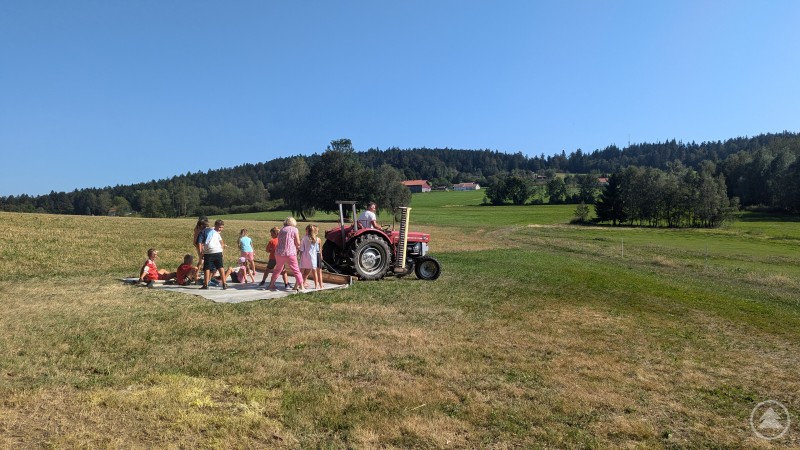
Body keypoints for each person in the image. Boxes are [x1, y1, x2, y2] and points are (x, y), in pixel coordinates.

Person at [267, 217, 304, 291]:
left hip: (279, 253)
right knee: (296, 270)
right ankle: (301, 286)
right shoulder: (294, 229)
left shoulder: (282, 230)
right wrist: (299, 247)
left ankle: (271, 284)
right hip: (290, 252)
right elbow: (297, 242)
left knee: (277, 269)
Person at [199, 219, 227, 290]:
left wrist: (201, 253)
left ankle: (206, 284)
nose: (220, 229)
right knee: (220, 267)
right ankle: (224, 284)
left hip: (209, 252)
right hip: (218, 251)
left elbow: (200, 243)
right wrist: (222, 251)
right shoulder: (215, 232)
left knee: (207, 268)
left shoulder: (202, 232)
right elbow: (221, 242)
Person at [300, 224, 323, 289]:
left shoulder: (304, 238)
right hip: (313, 256)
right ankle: (316, 285)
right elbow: (318, 250)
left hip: (305, 256)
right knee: (314, 271)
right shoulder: (317, 239)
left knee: (302, 270)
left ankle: (300, 284)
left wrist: (300, 256)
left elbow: (301, 249)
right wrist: (320, 255)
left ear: (307, 231)